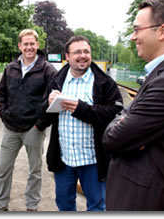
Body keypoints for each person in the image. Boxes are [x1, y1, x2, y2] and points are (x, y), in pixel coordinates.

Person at [103, 0, 164, 210]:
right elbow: (125, 122)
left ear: (163, 31)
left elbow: (113, 138)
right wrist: (126, 121)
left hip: (142, 201)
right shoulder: (163, 74)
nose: (133, 36)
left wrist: (123, 121)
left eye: (137, 29)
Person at [36, 35, 123, 211]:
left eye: (86, 51)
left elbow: (116, 114)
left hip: (93, 159)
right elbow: (41, 117)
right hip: (64, 158)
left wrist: (81, 109)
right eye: (77, 52)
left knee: (97, 205)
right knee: (64, 203)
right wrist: (47, 104)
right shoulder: (56, 81)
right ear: (67, 56)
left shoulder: (104, 83)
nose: (82, 55)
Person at [0, 29, 57, 211]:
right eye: (25, 44)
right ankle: (0, 205)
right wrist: (4, 114)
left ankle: (31, 207)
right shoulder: (10, 68)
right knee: (4, 169)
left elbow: (52, 102)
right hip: (11, 128)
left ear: (37, 45)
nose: (29, 47)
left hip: (33, 129)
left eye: (32, 43)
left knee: (35, 171)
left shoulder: (47, 71)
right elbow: (1, 95)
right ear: (20, 46)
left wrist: (40, 124)